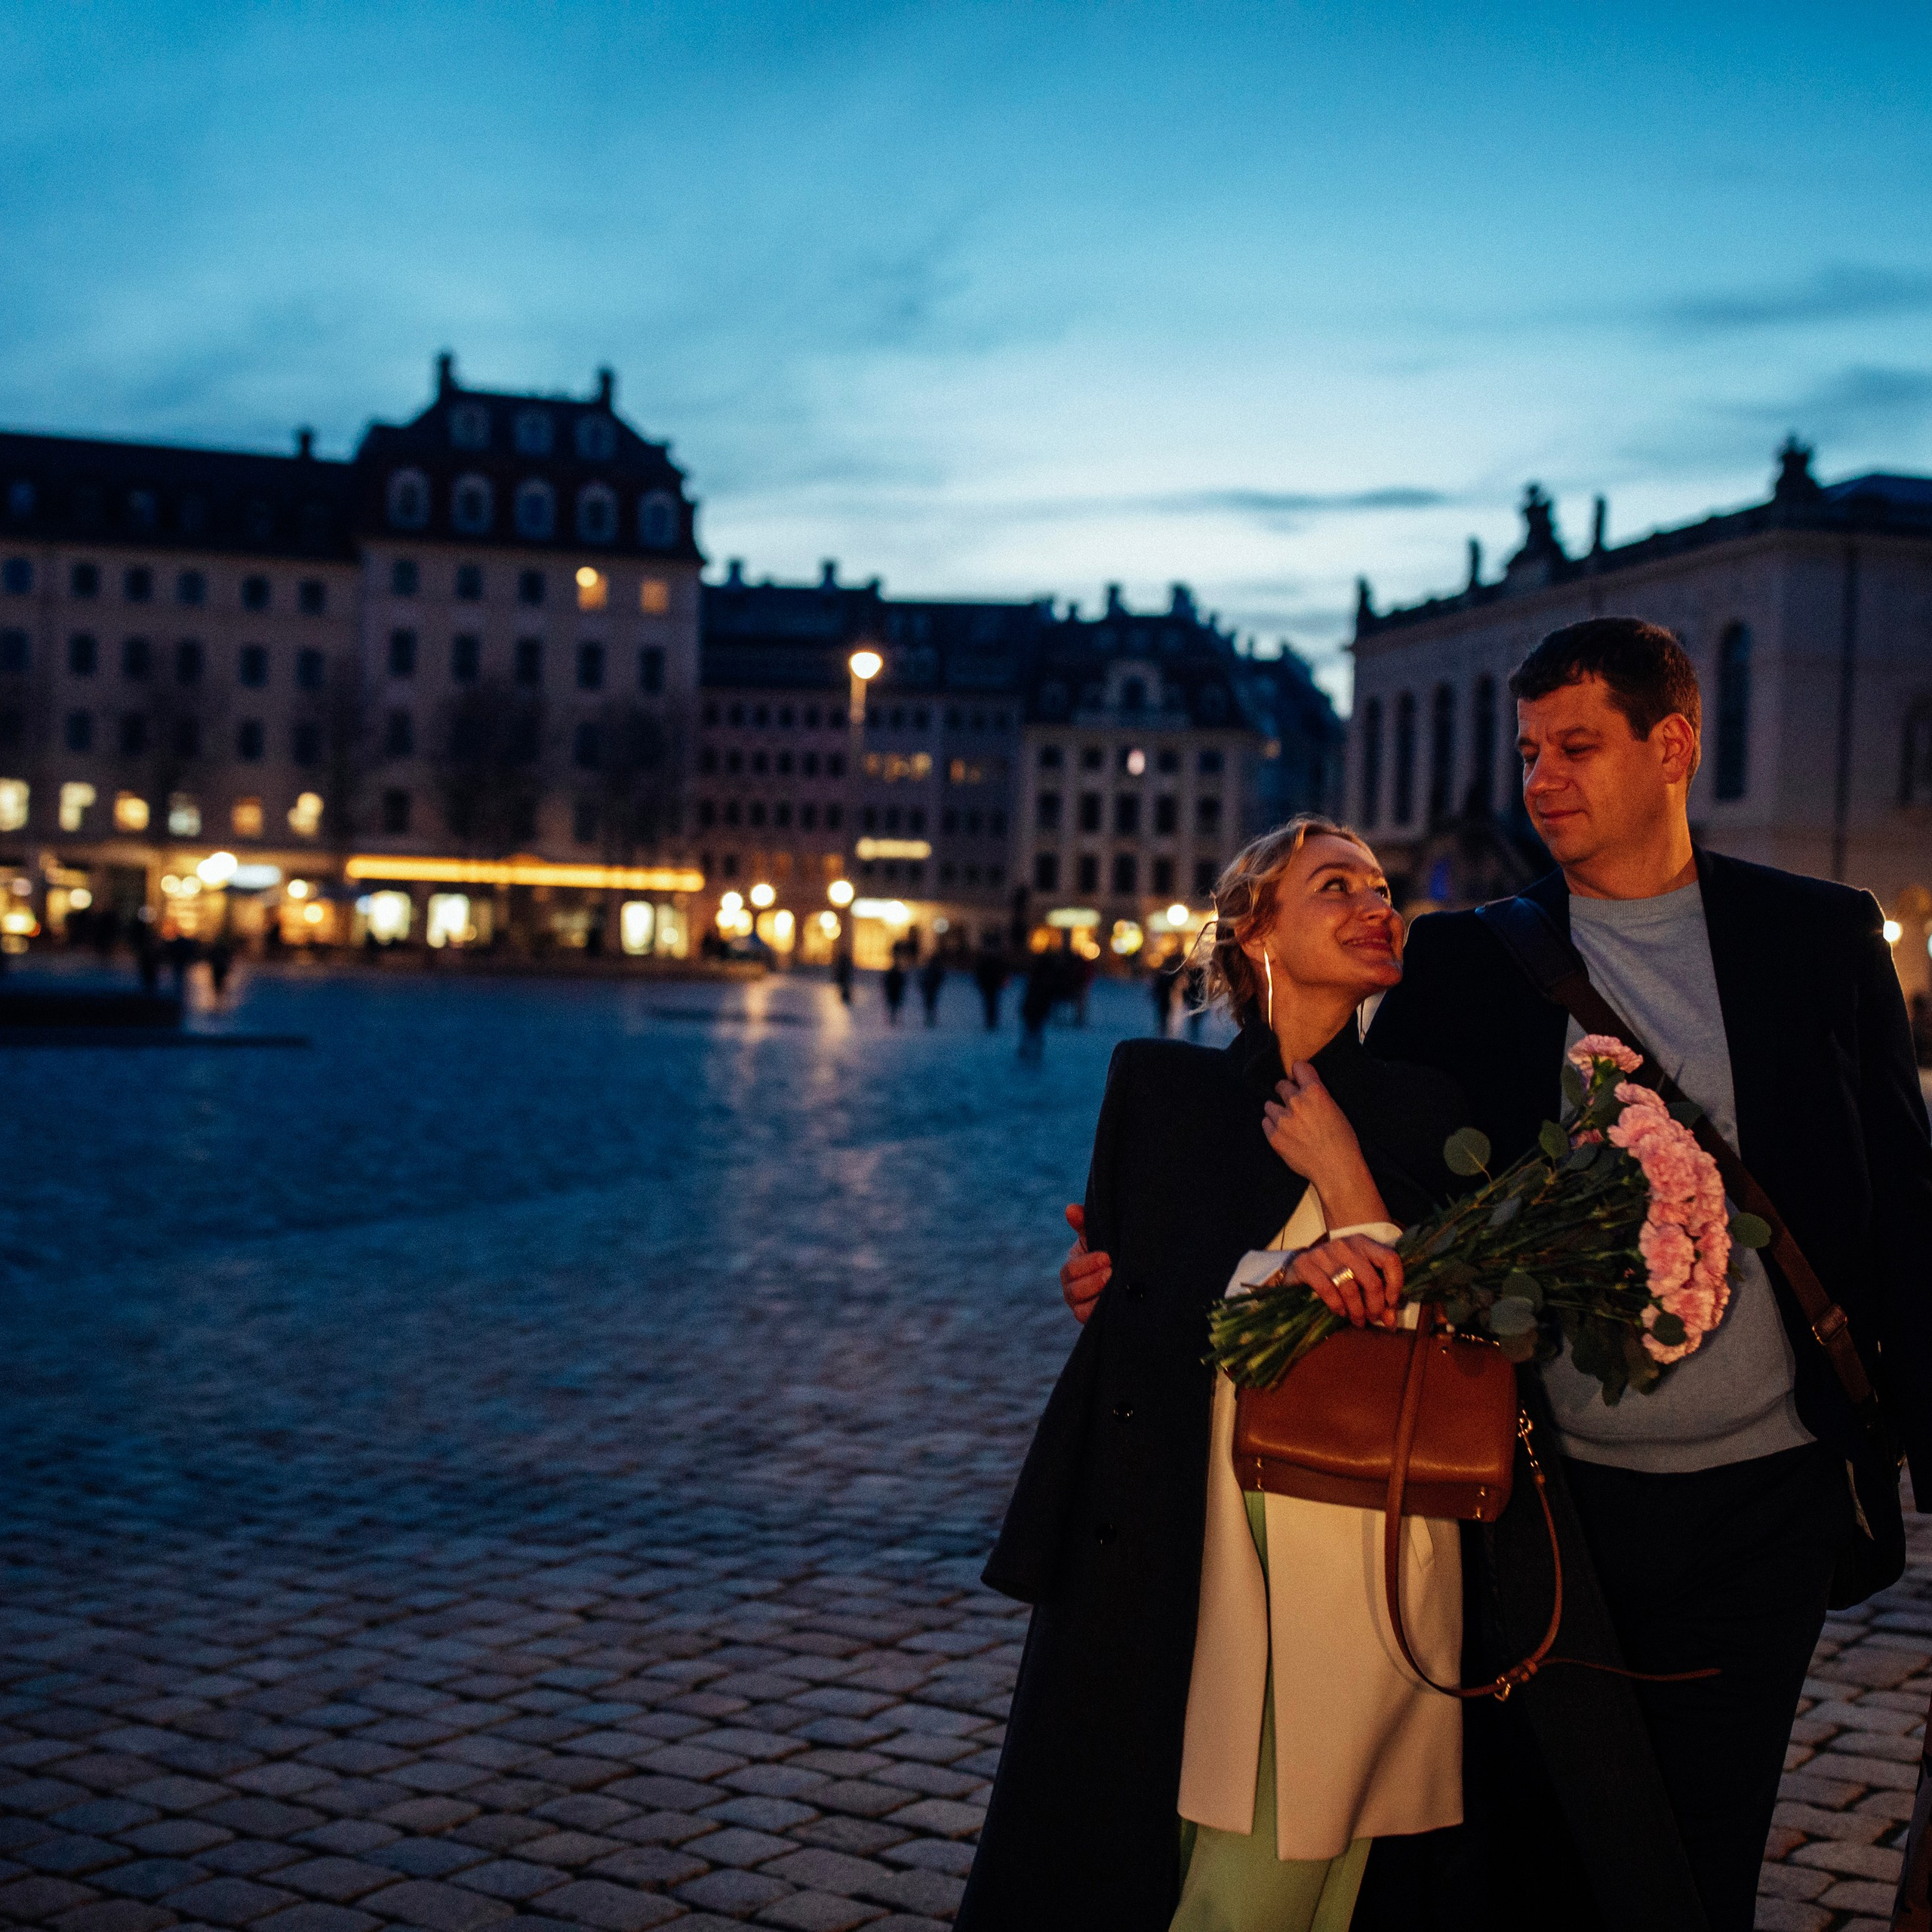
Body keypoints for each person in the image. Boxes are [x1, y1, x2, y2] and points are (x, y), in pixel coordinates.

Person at [959, 817, 1467, 1932]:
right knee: (1158, 1838)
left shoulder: (1425, 1108)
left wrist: (1346, 1181)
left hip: (1357, 1539)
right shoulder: (1159, 1088)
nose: (1377, 905)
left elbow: (1442, 1331)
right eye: (1336, 886)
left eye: (1383, 888)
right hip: (1180, 1528)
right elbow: (1141, 1320)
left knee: (1295, 1855)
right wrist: (1119, 1287)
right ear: (1253, 931)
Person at [974, 946, 1006, 1029]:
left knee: (990, 1003)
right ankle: (991, 1020)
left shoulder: (987, 962)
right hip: (990, 986)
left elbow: (980, 974)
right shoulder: (991, 962)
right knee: (991, 1003)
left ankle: (991, 1020)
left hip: (990, 986)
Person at [919, 952, 946, 1026]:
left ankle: (931, 1019)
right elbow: (921, 979)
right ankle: (930, 1019)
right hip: (929, 989)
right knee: (929, 1004)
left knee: (930, 1004)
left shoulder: (933, 969)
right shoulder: (929, 969)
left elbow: (940, 978)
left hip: (932, 989)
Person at [882, 954, 908, 1023]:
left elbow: (887, 982)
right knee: (894, 1006)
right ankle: (894, 1018)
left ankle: (894, 1018)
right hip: (894, 991)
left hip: (894, 991)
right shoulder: (897, 974)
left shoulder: (894, 974)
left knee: (894, 1006)